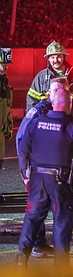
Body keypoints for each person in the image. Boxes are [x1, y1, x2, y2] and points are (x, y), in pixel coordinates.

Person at [16, 87, 73, 267]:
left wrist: (24, 171)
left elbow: (23, 146)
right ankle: (61, 267)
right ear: (69, 104)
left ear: (53, 103)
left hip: (37, 179)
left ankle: (22, 257)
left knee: (33, 218)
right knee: (62, 221)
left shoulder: (36, 122)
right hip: (60, 181)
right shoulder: (72, 126)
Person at [17, 78, 73, 258]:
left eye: (62, 89)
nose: (59, 92)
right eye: (56, 89)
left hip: (49, 167)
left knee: (40, 207)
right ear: (50, 91)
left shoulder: (60, 108)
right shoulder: (39, 111)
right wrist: (24, 169)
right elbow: (22, 139)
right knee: (37, 210)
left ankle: (39, 245)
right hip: (36, 168)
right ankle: (37, 245)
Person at [27, 41, 73, 117]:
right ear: (48, 59)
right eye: (52, 57)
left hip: (71, 124)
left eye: (59, 57)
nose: (55, 60)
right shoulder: (41, 78)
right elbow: (31, 101)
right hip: (48, 124)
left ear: (64, 57)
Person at [0, 51, 13, 204]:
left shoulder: (4, 81)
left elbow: (6, 106)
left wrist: (8, 124)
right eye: (2, 64)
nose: (5, 67)